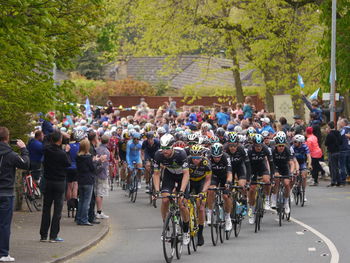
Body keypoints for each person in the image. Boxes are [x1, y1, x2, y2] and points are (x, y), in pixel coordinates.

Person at [152, 134, 191, 246]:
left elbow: (186, 174)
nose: (165, 151)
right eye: (163, 148)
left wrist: (182, 191)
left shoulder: (181, 154)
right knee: (164, 200)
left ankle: (186, 231)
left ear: (172, 147)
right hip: (169, 175)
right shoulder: (158, 155)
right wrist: (157, 190)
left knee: (182, 204)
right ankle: (166, 226)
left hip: (182, 176)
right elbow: (156, 173)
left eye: (167, 149)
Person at [0, 127, 29, 262]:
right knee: (4, 224)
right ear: (7, 138)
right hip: (6, 192)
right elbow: (26, 164)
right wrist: (23, 149)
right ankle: (3, 253)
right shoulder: (11, 155)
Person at [40, 131, 71, 243]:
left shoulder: (46, 150)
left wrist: (54, 134)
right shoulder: (62, 153)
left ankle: (43, 235)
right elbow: (68, 163)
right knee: (57, 210)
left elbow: (45, 138)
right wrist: (67, 152)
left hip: (48, 181)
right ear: (60, 140)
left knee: (46, 208)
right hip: (59, 182)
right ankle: (53, 236)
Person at [187, 145, 212, 246]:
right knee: (184, 202)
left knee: (201, 207)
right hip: (189, 181)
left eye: (197, 157)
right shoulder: (187, 161)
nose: (195, 160)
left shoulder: (206, 162)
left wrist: (203, 192)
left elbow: (208, 180)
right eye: (193, 157)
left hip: (201, 182)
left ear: (202, 156)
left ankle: (200, 233)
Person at [76, 139, 101, 226]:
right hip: (88, 180)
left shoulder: (78, 157)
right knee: (87, 201)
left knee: (81, 200)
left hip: (80, 180)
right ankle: (84, 219)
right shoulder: (88, 157)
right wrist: (96, 161)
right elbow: (92, 169)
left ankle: (79, 218)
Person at [95, 135, 110, 219]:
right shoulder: (106, 151)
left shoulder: (96, 149)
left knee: (98, 192)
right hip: (102, 174)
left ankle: (99, 211)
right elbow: (104, 165)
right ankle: (99, 211)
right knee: (100, 193)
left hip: (95, 173)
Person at [324, 121, 342, 186]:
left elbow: (326, 143)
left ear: (329, 127)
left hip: (332, 152)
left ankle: (333, 181)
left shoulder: (330, 134)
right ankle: (339, 181)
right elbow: (341, 142)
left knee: (332, 167)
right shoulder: (338, 132)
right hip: (338, 151)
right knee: (337, 167)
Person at [337, 118, 350, 185]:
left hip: (343, 149)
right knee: (348, 164)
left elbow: (339, 137)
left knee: (342, 165)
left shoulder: (343, 130)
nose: (340, 123)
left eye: (341, 122)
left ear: (344, 123)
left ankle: (343, 179)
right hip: (348, 149)